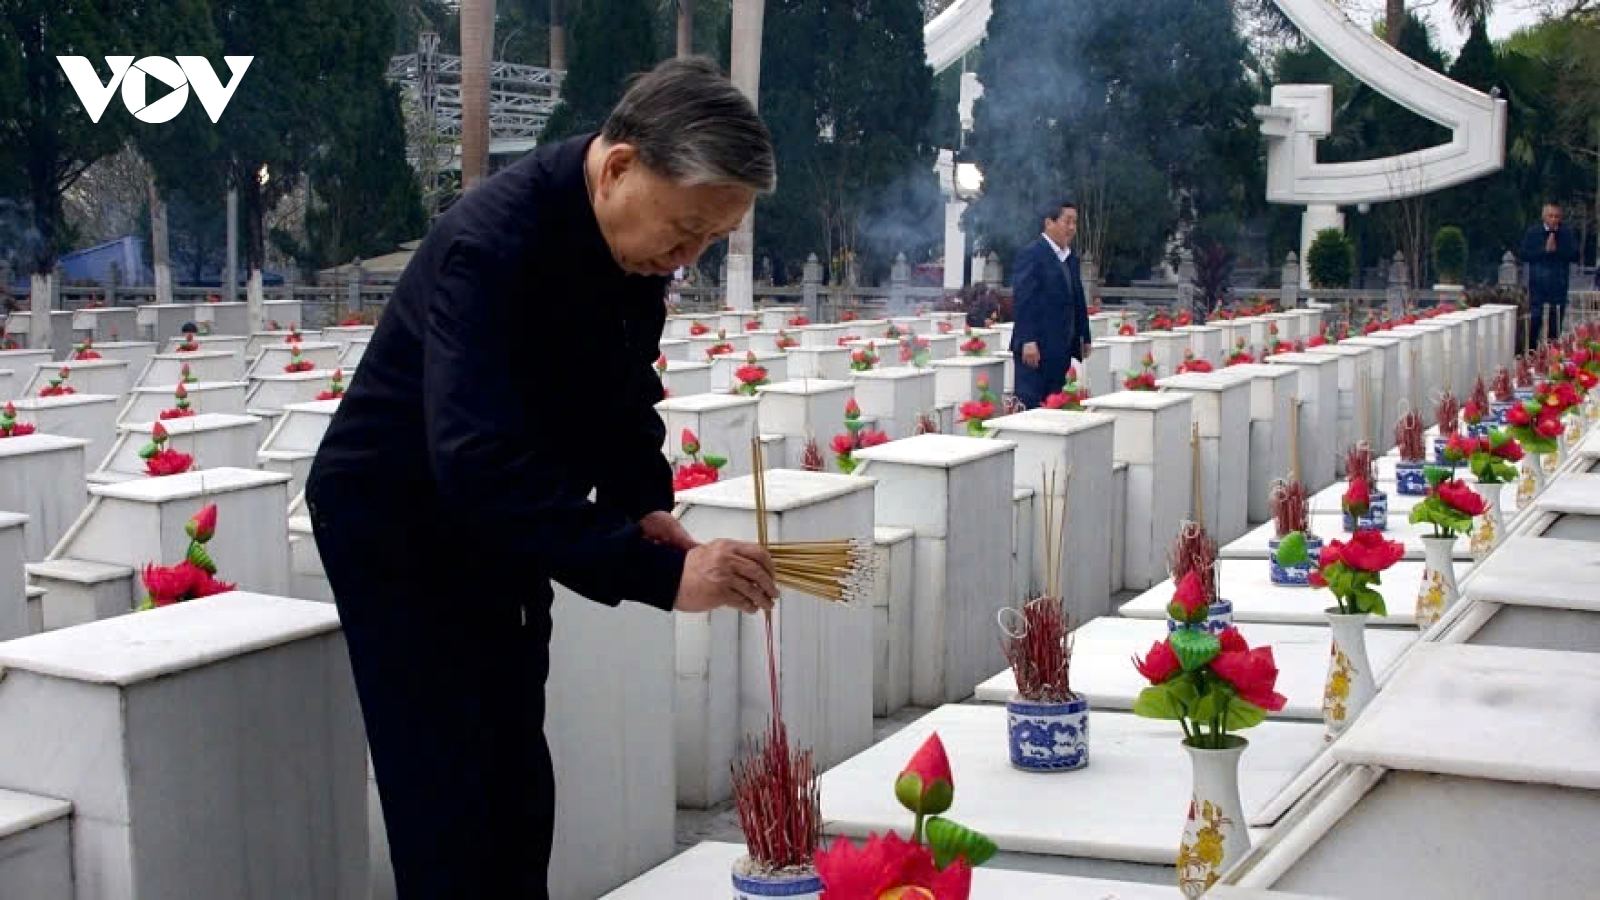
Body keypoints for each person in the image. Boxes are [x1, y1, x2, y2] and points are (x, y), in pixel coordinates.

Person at [303, 58, 779, 899]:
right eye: (686, 228)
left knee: (516, 766)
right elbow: (474, 462)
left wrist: (644, 508)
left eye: (710, 238)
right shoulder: (491, 246)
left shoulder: (634, 251)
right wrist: (665, 577)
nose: (688, 255)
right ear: (621, 165)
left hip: (501, 512)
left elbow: (622, 391)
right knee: (447, 788)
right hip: (399, 525)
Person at [1010, 201, 1092, 409]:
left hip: (1060, 347)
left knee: (1055, 404)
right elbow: (1024, 300)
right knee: (1032, 407)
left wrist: (1084, 336)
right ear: (1049, 223)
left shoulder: (1069, 257)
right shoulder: (1032, 254)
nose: (1072, 228)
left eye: (1075, 222)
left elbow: (1077, 299)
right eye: (1067, 221)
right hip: (1035, 350)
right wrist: (1028, 340)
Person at [1520, 202, 1580, 344]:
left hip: (1558, 284)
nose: (1554, 219)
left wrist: (1557, 250)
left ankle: (1552, 355)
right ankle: (1531, 352)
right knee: (1535, 319)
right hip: (1538, 284)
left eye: (1557, 216)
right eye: (1550, 216)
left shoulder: (1566, 233)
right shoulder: (1533, 232)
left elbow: (1575, 255)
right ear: (1543, 216)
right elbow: (1524, 255)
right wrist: (1544, 251)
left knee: (1556, 322)